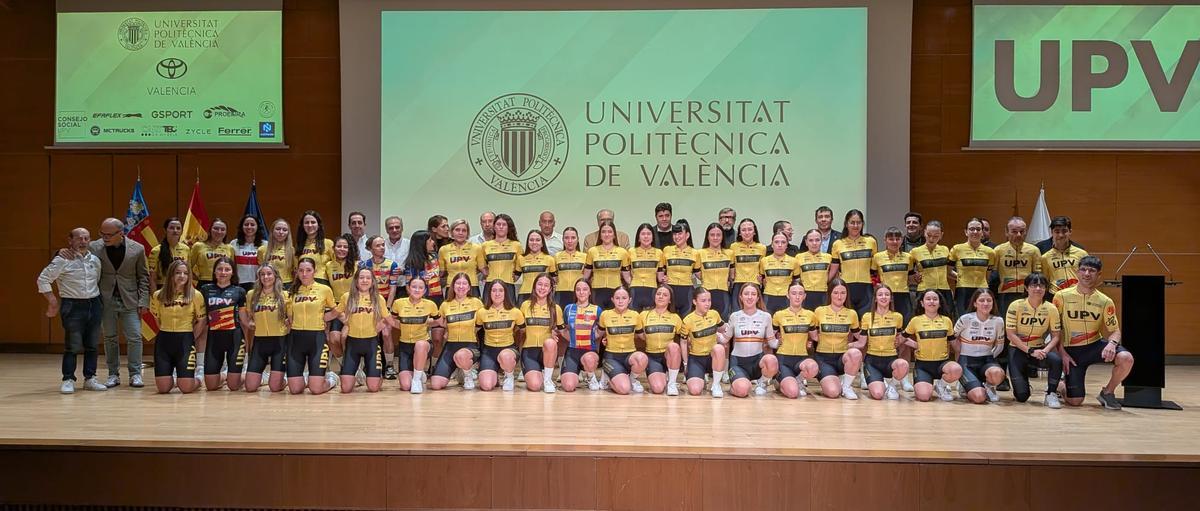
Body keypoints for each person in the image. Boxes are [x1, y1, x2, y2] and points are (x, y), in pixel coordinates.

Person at [1052, 256, 1134, 410]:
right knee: (1075, 401)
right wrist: (1062, 353)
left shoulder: (1105, 301)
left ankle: (1107, 392)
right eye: (1083, 270)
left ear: (1099, 275)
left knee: (1126, 358)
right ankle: (1061, 386)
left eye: (1092, 271)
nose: (1087, 274)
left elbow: (1115, 330)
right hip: (1071, 352)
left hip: (1094, 346)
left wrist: (1112, 344)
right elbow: (1054, 329)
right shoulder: (1061, 296)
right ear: (1077, 272)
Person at [39, 227, 106, 393]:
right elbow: (43, 279)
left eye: (86, 238)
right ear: (70, 240)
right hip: (72, 305)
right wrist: (52, 300)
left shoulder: (95, 260)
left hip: (94, 304)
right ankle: (68, 379)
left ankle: (90, 378)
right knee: (73, 345)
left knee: (92, 344)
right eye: (79, 238)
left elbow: (97, 280)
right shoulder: (62, 259)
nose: (83, 242)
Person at [88, 218, 150, 389]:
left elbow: (143, 277)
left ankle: (135, 374)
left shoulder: (137, 249)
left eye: (109, 234)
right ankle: (113, 374)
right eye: (102, 234)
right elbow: (77, 254)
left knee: (135, 336)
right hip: (105, 299)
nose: (105, 237)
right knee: (109, 337)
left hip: (129, 299)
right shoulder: (94, 247)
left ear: (121, 233)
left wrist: (144, 301)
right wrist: (63, 251)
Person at [994, 216, 1041, 390]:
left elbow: (1038, 276)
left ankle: (1024, 374)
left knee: (1026, 332)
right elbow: (992, 274)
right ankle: (1001, 377)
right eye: (1014, 231)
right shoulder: (998, 250)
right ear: (1006, 232)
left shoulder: (1033, 250)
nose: (1018, 235)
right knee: (1005, 335)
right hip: (1004, 297)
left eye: (1022, 231)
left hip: (1026, 297)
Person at [1005, 272, 1064, 408]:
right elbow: (1010, 335)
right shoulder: (1015, 305)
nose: (1038, 288)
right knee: (1022, 396)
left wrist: (1045, 351)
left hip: (1040, 349)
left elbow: (1056, 336)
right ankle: (1024, 384)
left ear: (1046, 289)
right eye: (1034, 285)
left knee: (1056, 360)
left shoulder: (1051, 308)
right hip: (1018, 349)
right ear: (1026, 288)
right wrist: (1030, 351)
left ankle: (1051, 393)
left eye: (1041, 286)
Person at [149, 260, 205, 394]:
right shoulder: (158, 295)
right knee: (163, 389)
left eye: (185, 273)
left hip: (185, 340)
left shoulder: (196, 295)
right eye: (178, 273)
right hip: (164, 340)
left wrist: (191, 337)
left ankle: (199, 378)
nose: (182, 276)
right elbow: (157, 319)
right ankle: (174, 379)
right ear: (171, 275)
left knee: (186, 388)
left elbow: (201, 321)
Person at [287, 258, 340, 395]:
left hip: (317, 339)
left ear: (314, 271)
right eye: (301, 270)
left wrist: (322, 318)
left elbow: (335, 310)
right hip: (296, 339)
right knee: (295, 389)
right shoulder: (291, 291)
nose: (304, 274)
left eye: (308, 270)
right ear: (297, 272)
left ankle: (332, 378)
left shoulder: (324, 289)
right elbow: (290, 317)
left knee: (316, 389)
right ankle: (307, 378)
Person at [197, 257, 247, 391]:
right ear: (214, 272)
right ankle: (225, 375)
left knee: (233, 386)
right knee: (211, 386)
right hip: (214, 339)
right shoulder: (205, 290)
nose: (223, 272)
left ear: (232, 272)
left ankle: (255, 377)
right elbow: (201, 317)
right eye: (219, 269)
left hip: (235, 338)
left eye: (227, 269)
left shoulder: (240, 291)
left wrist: (254, 325)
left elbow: (244, 319)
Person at [903, 289, 962, 402]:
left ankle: (941, 385)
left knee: (956, 369)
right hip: (923, 366)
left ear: (940, 303)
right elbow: (902, 337)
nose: (931, 301)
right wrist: (915, 344)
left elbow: (955, 345)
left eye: (935, 299)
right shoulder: (915, 320)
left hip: (942, 364)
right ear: (922, 303)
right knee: (923, 397)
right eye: (928, 299)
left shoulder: (947, 321)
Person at [337, 268, 389, 394]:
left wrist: (378, 326)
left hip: (371, 343)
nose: (364, 280)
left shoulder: (378, 298)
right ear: (356, 280)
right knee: (346, 389)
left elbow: (387, 318)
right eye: (361, 278)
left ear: (372, 281)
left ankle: (375, 373)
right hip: (352, 344)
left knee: (373, 388)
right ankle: (354, 373)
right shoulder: (347, 297)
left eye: (368, 278)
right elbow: (337, 313)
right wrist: (347, 322)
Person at [429, 273, 484, 391]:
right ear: (453, 286)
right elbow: (441, 322)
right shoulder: (445, 304)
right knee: (436, 384)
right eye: (458, 283)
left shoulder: (476, 302)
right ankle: (460, 370)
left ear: (469, 287)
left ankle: (468, 375)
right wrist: (420, 321)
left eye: (464, 284)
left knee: (461, 355)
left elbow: (481, 323)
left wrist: (470, 331)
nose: (461, 286)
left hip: (470, 345)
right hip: (450, 345)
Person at [811, 279, 864, 399]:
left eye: (843, 293)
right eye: (835, 293)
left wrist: (850, 346)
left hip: (842, 358)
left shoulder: (852, 314)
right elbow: (813, 335)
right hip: (823, 358)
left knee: (855, 353)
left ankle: (846, 386)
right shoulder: (819, 311)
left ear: (847, 294)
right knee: (833, 392)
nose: (839, 297)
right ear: (830, 293)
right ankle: (836, 380)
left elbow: (860, 338)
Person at [723, 283, 778, 398]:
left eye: (753, 294)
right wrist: (713, 333)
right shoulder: (734, 316)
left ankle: (761, 383)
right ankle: (737, 385)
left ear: (758, 298)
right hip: (738, 363)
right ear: (740, 297)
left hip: (757, 362)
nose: (749, 297)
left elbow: (773, 343)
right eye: (746, 294)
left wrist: (786, 339)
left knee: (771, 360)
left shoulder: (766, 316)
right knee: (742, 391)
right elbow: (724, 340)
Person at [387, 277, 440, 394]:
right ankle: (419, 373)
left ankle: (416, 379)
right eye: (414, 287)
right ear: (408, 288)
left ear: (425, 290)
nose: (417, 290)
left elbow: (440, 321)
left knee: (420, 344)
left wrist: (427, 323)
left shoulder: (430, 304)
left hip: (423, 344)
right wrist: (403, 326)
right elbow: (391, 319)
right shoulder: (398, 303)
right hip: (405, 346)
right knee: (405, 386)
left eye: (420, 287)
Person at [953, 289, 1006, 404]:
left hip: (987, 360)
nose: (985, 303)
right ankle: (966, 384)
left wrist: (991, 358)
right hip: (966, 362)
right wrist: (959, 356)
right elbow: (952, 339)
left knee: (997, 373)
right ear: (975, 303)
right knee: (979, 398)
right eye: (981, 300)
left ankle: (989, 386)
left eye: (989, 300)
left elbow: (1000, 346)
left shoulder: (998, 321)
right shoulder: (965, 319)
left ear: (993, 303)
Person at [243, 265, 289, 393]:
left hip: (279, 342)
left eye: (269, 273)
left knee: (274, 388)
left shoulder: (284, 295)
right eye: (262, 274)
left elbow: (291, 317)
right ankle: (264, 378)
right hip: (260, 341)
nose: (266, 277)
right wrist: (250, 323)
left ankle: (284, 379)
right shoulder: (251, 295)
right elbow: (249, 316)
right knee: (250, 387)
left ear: (275, 276)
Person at [858, 285, 908, 400]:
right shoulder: (867, 317)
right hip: (872, 361)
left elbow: (900, 338)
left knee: (903, 364)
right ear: (875, 298)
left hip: (891, 360)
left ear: (891, 298)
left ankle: (892, 386)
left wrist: (917, 344)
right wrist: (847, 345)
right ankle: (878, 381)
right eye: (880, 295)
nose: (884, 297)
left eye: (887, 294)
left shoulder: (897, 317)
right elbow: (861, 343)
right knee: (878, 394)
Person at [360, 235, 400, 378]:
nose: (382, 248)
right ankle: (370, 364)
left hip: (385, 304)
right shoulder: (364, 265)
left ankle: (389, 366)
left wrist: (387, 308)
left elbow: (393, 288)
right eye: (378, 245)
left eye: (383, 245)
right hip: (368, 305)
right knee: (371, 334)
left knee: (387, 334)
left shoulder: (392, 264)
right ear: (370, 248)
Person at [771, 282, 820, 398]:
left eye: (800, 294)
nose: (797, 297)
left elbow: (815, 337)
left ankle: (798, 381)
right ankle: (778, 380)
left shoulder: (811, 315)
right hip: (784, 359)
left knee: (813, 367)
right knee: (792, 393)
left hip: (801, 360)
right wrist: (776, 342)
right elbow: (770, 337)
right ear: (788, 295)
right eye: (793, 293)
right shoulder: (779, 315)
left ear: (804, 296)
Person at [596, 286, 647, 394]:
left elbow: (642, 336)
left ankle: (632, 379)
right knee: (624, 389)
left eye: (624, 298)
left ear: (629, 300)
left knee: (642, 358)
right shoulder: (605, 315)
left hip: (629, 356)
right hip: (612, 357)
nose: (620, 301)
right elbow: (598, 334)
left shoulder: (635, 315)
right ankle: (608, 378)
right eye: (617, 298)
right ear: (612, 299)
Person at [475, 280, 524, 391]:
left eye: (501, 290)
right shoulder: (482, 312)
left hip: (508, 349)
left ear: (505, 293)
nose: (497, 294)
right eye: (494, 290)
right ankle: (494, 377)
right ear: (489, 293)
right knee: (486, 386)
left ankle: (509, 376)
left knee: (505, 356)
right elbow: (475, 331)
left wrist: (517, 347)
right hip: (489, 351)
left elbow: (523, 331)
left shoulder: (515, 312)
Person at [519, 273, 563, 393]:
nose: (542, 288)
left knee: (550, 343)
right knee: (534, 386)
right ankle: (537, 373)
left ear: (550, 289)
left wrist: (555, 332)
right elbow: (520, 331)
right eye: (539, 284)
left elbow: (562, 332)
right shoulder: (525, 306)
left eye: (546, 285)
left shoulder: (556, 308)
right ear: (534, 286)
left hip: (547, 351)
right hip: (529, 351)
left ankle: (547, 379)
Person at [681, 287, 728, 398]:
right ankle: (700, 376)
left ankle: (716, 385)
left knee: (719, 348)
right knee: (695, 390)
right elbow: (683, 343)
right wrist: (686, 364)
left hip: (712, 358)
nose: (707, 304)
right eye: (703, 301)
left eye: (709, 300)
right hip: (696, 359)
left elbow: (725, 328)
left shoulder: (714, 314)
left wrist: (723, 335)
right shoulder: (687, 320)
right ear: (694, 302)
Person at [829, 209, 877, 317]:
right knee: (847, 321)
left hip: (866, 289)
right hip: (846, 289)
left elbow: (875, 268)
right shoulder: (838, 244)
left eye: (858, 222)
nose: (855, 226)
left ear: (862, 224)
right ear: (846, 224)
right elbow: (834, 269)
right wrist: (824, 283)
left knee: (866, 321)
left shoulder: (871, 242)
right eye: (852, 222)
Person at [638, 285, 683, 395]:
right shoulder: (644, 315)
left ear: (670, 300)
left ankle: (672, 383)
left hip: (668, 355)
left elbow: (686, 338)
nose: (661, 297)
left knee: (674, 346)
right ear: (654, 297)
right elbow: (635, 334)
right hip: (652, 356)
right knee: (658, 389)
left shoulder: (675, 317)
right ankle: (664, 376)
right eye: (658, 294)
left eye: (665, 295)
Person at [561, 278, 603, 392]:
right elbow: (565, 329)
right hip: (572, 351)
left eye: (585, 289)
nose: (581, 292)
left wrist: (592, 337)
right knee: (568, 386)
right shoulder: (568, 308)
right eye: (578, 289)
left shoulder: (597, 310)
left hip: (589, 351)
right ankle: (576, 373)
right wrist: (572, 339)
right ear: (575, 292)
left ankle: (590, 376)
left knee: (589, 359)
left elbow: (601, 331)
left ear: (590, 292)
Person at [949, 218, 995, 319]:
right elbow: (948, 271)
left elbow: (988, 275)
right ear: (966, 232)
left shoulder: (990, 252)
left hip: (982, 290)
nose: (975, 232)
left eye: (978, 229)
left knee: (982, 319)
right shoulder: (957, 249)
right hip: (963, 291)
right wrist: (960, 277)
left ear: (982, 232)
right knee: (963, 320)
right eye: (971, 229)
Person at [325, 234, 357, 377]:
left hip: (354, 305)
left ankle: (354, 367)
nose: (342, 249)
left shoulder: (357, 265)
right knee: (333, 339)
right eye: (339, 246)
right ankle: (344, 365)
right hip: (336, 307)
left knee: (345, 337)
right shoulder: (328, 266)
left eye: (345, 247)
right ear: (333, 248)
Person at [909, 221, 954, 317]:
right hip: (924, 290)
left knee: (947, 318)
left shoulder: (945, 249)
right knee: (922, 318)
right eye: (929, 235)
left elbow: (949, 271)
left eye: (936, 236)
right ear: (924, 232)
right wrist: (915, 276)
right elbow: (909, 273)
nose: (931, 239)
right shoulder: (915, 252)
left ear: (941, 235)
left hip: (944, 290)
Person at [584, 220, 631, 310]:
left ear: (614, 235)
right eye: (603, 232)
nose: (606, 234)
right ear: (600, 235)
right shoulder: (592, 251)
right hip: (596, 291)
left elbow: (627, 278)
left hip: (616, 292)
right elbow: (586, 276)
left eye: (610, 232)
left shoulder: (622, 252)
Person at [872, 227, 914, 324]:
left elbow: (911, 277)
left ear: (902, 240)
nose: (894, 242)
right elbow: (872, 276)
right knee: (887, 323)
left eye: (897, 239)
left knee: (905, 323)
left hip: (904, 296)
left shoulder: (908, 257)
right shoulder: (877, 257)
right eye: (891, 239)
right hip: (885, 296)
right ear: (885, 240)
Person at [1039, 216, 1089, 298]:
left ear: (1070, 232)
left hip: (1078, 295)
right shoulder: (1045, 257)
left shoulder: (1082, 254)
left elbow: (1088, 276)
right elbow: (1045, 282)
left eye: (1064, 231)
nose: (1061, 235)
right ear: (1052, 232)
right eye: (1057, 231)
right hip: (1055, 297)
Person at [477, 213, 522, 304]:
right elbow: (481, 265)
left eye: (504, 225)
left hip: (508, 285)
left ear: (508, 227)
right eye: (498, 224)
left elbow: (520, 265)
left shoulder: (516, 245)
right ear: (494, 227)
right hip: (490, 285)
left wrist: (514, 277)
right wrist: (488, 274)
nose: (501, 227)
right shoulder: (485, 245)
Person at [697, 223, 734, 319]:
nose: (715, 238)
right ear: (707, 237)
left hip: (723, 294)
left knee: (723, 322)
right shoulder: (700, 253)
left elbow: (732, 275)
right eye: (712, 235)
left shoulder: (730, 253)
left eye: (718, 235)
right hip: (705, 294)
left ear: (722, 237)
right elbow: (696, 274)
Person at [662, 221, 699, 317]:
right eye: (674, 234)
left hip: (687, 291)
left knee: (685, 321)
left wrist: (697, 292)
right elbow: (661, 271)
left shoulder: (695, 253)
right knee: (670, 320)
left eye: (680, 234)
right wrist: (663, 278)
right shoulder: (666, 250)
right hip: (670, 289)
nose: (677, 237)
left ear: (687, 235)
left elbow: (697, 276)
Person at [438, 219, 480, 297]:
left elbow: (482, 269)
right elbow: (441, 273)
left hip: (472, 286)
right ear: (452, 232)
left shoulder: (476, 248)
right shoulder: (443, 250)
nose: (460, 233)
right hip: (451, 286)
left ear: (467, 233)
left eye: (464, 230)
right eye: (457, 230)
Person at [628, 223, 664, 311]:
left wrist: (665, 278)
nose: (646, 237)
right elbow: (626, 273)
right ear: (638, 237)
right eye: (643, 234)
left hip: (652, 290)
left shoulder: (659, 253)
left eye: (649, 234)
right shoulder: (631, 252)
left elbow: (660, 277)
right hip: (635, 291)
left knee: (650, 318)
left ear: (653, 237)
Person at [148, 217, 188, 295]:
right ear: (165, 230)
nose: (175, 230)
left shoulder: (186, 249)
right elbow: (152, 277)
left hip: (182, 288)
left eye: (178, 228)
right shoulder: (156, 250)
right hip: (163, 289)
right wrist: (154, 296)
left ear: (181, 231)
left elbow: (188, 272)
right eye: (172, 228)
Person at [761, 232, 799, 314]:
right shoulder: (764, 261)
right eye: (776, 242)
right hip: (769, 297)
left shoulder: (794, 261)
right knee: (768, 321)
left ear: (787, 245)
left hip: (787, 298)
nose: (780, 245)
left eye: (783, 242)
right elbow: (762, 279)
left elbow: (796, 281)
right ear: (772, 244)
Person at [403, 230, 444, 306]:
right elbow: (408, 286)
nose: (433, 242)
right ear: (422, 244)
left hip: (438, 296)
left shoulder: (434, 256)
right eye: (430, 240)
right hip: (423, 297)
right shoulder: (412, 263)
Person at [189, 219, 233, 288]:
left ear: (226, 232)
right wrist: (196, 277)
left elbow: (232, 269)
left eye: (222, 229)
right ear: (210, 230)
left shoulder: (230, 248)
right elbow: (188, 266)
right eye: (216, 228)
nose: (219, 232)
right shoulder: (198, 246)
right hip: (204, 284)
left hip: (224, 284)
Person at [295, 210, 335, 286]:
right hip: (303, 283)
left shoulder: (328, 243)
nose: (310, 225)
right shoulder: (299, 245)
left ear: (318, 225)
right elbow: (296, 269)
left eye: (313, 222)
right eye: (306, 222)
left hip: (322, 283)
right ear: (302, 226)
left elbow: (335, 265)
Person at [516, 230, 556, 305]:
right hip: (524, 294)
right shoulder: (521, 258)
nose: (534, 242)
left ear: (542, 243)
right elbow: (514, 278)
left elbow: (554, 281)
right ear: (528, 243)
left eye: (537, 240)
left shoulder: (550, 259)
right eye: (531, 240)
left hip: (543, 294)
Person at [796, 229, 832, 310]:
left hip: (823, 294)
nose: (814, 243)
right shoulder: (798, 257)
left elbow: (834, 277)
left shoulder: (829, 257)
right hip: (805, 295)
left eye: (817, 240)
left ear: (821, 241)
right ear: (806, 242)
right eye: (811, 240)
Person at [730, 218, 765, 300]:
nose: (747, 233)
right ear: (739, 233)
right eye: (743, 230)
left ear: (754, 232)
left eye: (750, 229)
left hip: (755, 284)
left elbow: (763, 270)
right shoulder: (733, 247)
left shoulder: (762, 248)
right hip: (738, 284)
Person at [257, 219, 296, 288]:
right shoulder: (262, 250)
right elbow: (260, 271)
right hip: (267, 284)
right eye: (278, 229)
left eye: (284, 230)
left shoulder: (292, 251)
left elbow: (296, 272)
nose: (281, 232)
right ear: (272, 231)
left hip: (286, 285)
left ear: (288, 233)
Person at [554, 227, 587, 307]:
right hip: (560, 294)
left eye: (573, 238)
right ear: (562, 239)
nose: (570, 241)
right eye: (566, 238)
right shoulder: (556, 257)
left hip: (579, 293)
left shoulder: (585, 257)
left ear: (578, 239)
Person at [232, 214, 266, 291]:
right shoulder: (234, 244)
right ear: (241, 227)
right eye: (246, 224)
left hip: (259, 284)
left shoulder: (265, 244)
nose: (249, 227)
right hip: (238, 284)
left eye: (252, 224)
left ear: (257, 227)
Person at [383, 216, 411, 292]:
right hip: (385, 287)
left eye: (397, 227)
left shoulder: (409, 244)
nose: (394, 230)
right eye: (391, 228)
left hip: (404, 287)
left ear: (402, 228)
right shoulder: (381, 245)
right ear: (386, 230)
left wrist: (404, 271)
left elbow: (415, 267)